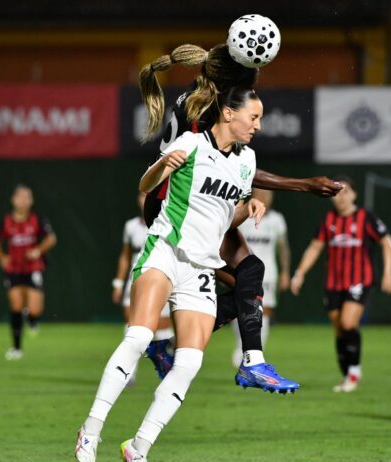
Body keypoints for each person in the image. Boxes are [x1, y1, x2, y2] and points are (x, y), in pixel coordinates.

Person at [138, 43, 342, 393]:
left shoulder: (198, 97)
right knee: (248, 277)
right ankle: (246, 361)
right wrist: (304, 184)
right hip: (181, 208)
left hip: (189, 203)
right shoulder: (205, 109)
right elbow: (227, 166)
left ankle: (175, 348)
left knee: (249, 277)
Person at [76, 87, 265, 462]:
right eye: (254, 117)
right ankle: (90, 433)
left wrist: (249, 206)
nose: (258, 125)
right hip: (166, 249)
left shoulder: (248, 160)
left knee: (190, 363)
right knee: (139, 336)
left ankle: (138, 448)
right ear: (229, 113)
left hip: (201, 267)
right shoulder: (192, 143)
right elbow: (145, 187)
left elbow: (222, 217)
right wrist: (161, 166)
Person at [290, 176, 391, 392]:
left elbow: (387, 243)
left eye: (346, 192)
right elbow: (315, 247)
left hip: (359, 280)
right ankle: (347, 373)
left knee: (348, 323)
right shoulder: (328, 220)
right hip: (333, 282)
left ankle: (354, 372)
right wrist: (299, 273)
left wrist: (388, 273)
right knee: (340, 330)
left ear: (354, 195)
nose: (341, 197)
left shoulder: (366, 217)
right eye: (337, 192)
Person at [0, 185, 57, 360]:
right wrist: (1, 257)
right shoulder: (5, 221)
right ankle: (17, 348)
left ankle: (32, 319)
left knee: (35, 309)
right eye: (20, 197)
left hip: (34, 268)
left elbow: (51, 238)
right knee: (16, 305)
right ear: (13, 200)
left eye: (27, 197)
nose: (23, 201)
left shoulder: (37, 219)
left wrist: (38, 250)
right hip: (13, 269)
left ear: (31, 201)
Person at [112, 191, 173, 384]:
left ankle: (168, 370)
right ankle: (128, 373)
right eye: (142, 195)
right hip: (135, 279)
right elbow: (125, 255)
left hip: (161, 279)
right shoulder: (131, 226)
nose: (145, 199)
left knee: (162, 327)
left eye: (150, 194)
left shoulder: (170, 222)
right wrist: (118, 282)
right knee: (132, 324)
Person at [231, 188, 290, 366]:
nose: (265, 197)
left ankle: (256, 353)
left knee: (265, 311)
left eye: (268, 194)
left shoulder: (277, 219)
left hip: (268, 272)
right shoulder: (243, 216)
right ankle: (241, 347)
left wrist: (285, 272)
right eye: (261, 193)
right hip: (243, 271)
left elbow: (283, 248)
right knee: (240, 309)